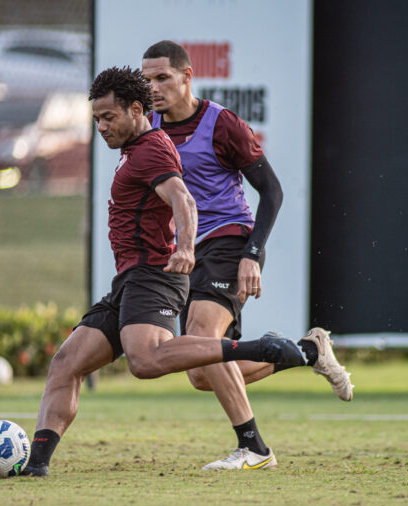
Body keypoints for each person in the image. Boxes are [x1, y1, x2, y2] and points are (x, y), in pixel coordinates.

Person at [21, 66, 346, 476]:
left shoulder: (152, 148)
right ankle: (35, 466)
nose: (101, 127)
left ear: (136, 110)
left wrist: (188, 248)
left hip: (155, 276)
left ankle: (258, 369)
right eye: (96, 119)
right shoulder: (136, 147)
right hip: (129, 280)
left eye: (109, 117)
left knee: (146, 360)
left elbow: (184, 200)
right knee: (67, 362)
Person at [141, 40, 354, 470]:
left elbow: (272, 190)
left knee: (202, 337)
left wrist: (252, 254)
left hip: (229, 240)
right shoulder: (148, 126)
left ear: (187, 76)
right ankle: (308, 352)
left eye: (162, 78)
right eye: (147, 80)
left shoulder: (222, 125)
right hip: (188, 252)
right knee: (201, 371)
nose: (154, 88)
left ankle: (254, 449)